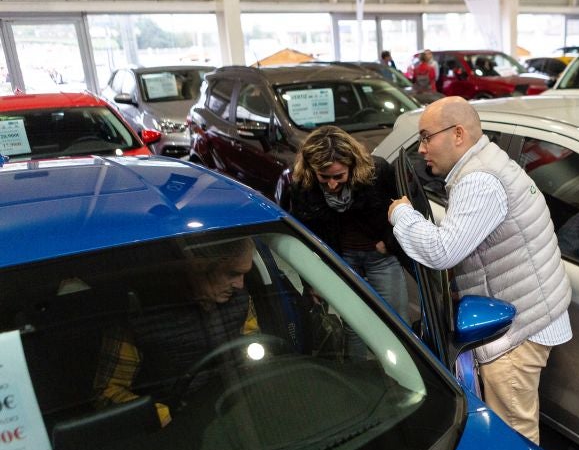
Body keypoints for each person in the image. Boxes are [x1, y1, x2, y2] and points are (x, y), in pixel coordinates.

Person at [388, 96, 572, 444]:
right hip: (530, 307)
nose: (422, 148)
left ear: (457, 134)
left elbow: (442, 251)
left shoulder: (479, 181)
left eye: (427, 137)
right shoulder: (490, 162)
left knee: (514, 432)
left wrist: (402, 214)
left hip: (517, 328)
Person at [94, 238, 258, 427]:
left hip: (236, 412)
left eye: (244, 274)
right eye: (232, 274)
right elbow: (106, 392)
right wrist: (158, 415)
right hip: (177, 431)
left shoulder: (241, 301)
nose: (240, 284)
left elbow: (254, 342)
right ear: (199, 267)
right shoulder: (140, 318)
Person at [289, 126, 408, 357]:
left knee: (398, 324)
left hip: (380, 258)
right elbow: (302, 236)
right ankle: (363, 378)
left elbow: (403, 211)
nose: (332, 185)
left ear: (353, 166)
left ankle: (403, 379)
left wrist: (389, 243)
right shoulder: (303, 186)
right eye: (324, 178)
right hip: (341, 260)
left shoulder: (377, 172)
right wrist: (312, 281)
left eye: (338, 176)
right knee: (355, 326)